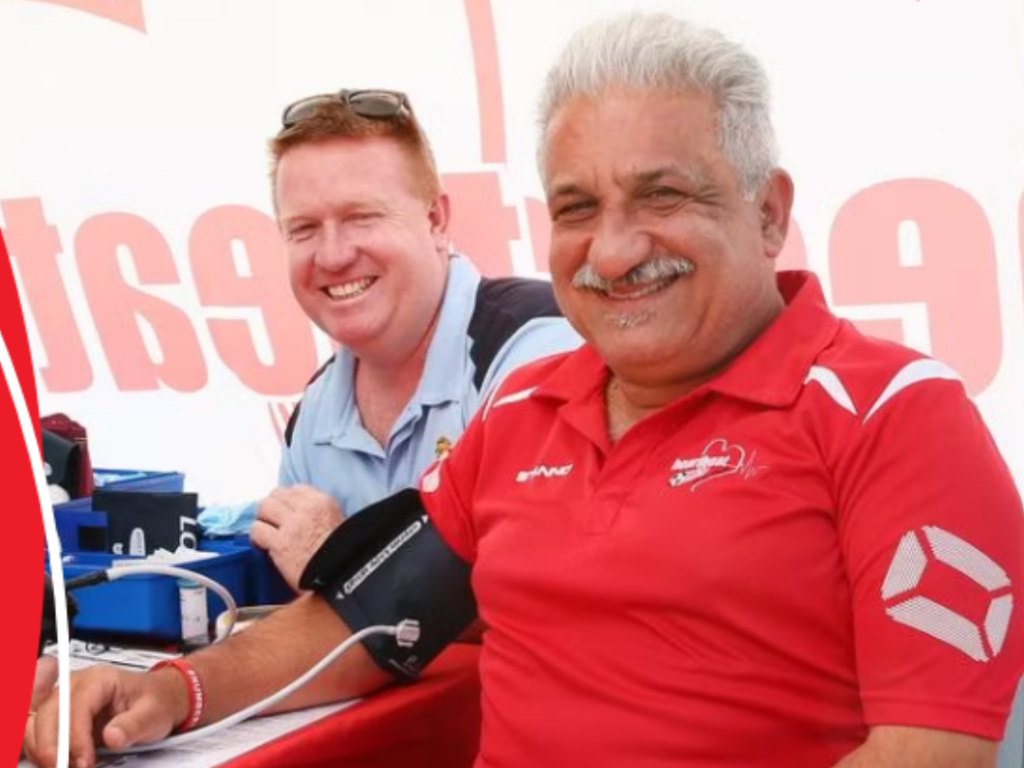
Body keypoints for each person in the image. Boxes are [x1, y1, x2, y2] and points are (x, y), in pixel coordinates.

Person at [24, 11, 1024, 768]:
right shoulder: (522, 411)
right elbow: (364, 622)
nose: (614, 249)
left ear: (767, 213)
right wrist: (172, 690)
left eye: (663, 195)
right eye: (577, 208)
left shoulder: (900, 416)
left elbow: (929, 750)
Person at [245, 88, 582, 591]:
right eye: (304, 228)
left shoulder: (537, 350)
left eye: (362, 217)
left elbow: (543, 594)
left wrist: (342, 563)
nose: (333, 255)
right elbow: (315, 631)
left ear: (435, 220)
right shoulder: (314, 413)